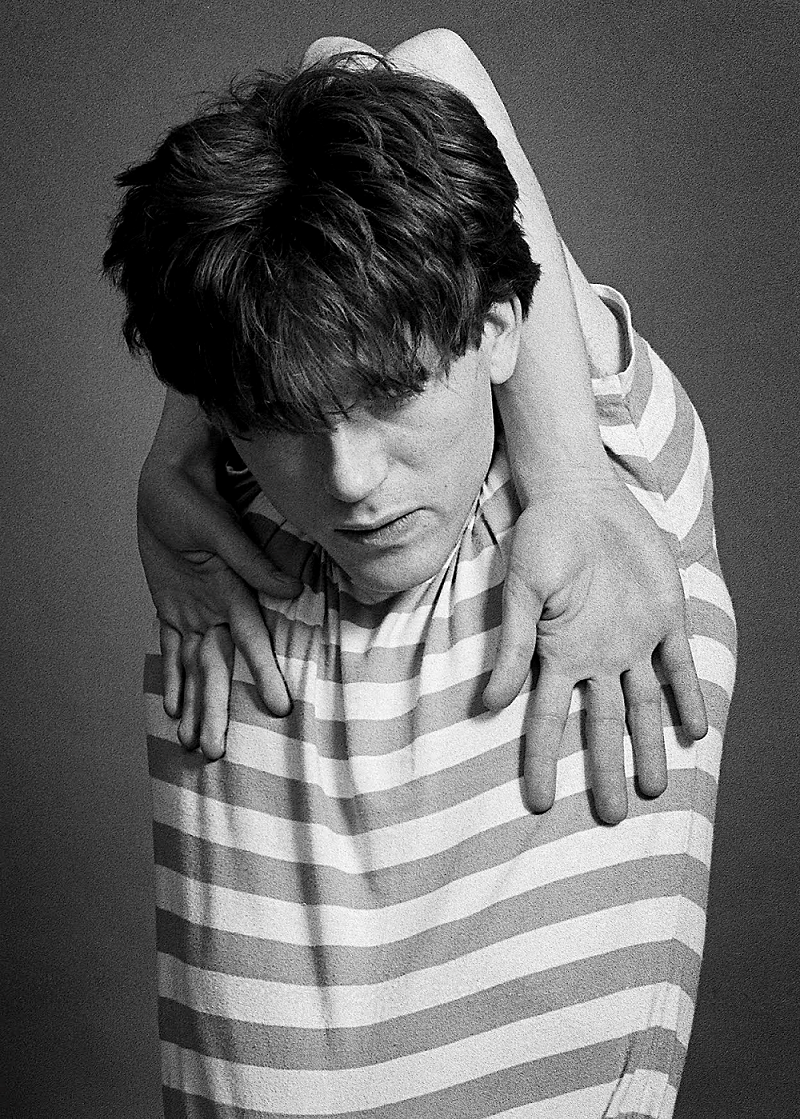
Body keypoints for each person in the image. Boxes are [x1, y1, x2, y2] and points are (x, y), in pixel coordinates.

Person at [105, 29, 736, 1119]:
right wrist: (182, 447)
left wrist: (572, 477)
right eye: (285, 419)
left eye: (390, 392)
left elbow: (409, 60)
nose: (349, 481)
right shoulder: (242, 537)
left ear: (498, 329)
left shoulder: (611, 490)